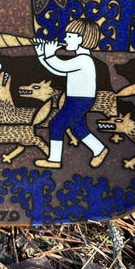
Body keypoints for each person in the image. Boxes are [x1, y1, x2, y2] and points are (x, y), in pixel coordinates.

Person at [34, 18, 108, 169]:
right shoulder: (79, 59)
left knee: (56, 125)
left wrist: (50, 54)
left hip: (80, 100)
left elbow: (60, 66)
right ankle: (99, 149)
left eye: (69, 36)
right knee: (78, 128)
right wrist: (42, 55)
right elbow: (57, 71)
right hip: (75, 99)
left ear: (81, 39)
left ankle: (54, 160)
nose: (65, 39)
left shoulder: (83, 60)